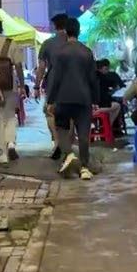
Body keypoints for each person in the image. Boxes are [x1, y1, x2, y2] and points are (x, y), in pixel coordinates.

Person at [46, 18, 98, 180]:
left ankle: (68, 154)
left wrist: (50, 100)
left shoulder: (61, 52)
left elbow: (56, 78)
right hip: (83, 98)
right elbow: (92, 78)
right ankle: (84, 167)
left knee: (61, 127)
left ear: (66, 33)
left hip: (63, 97)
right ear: (79, 31)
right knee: (83, 133)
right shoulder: (87, 52)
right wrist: (96, 99)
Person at [0, 18, 25, 163]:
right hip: (10, 85)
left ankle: (2, 152)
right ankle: (11, 143)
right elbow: (19, 66)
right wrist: (21, 85)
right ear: (2, 28)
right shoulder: (11, 43)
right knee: (10, 116)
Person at [36, 13, 70, 159]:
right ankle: (67, 144)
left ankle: (57, 142)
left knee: (50, 112)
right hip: (72, 83)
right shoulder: (73, 42)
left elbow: (42, 67)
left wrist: (36, 86)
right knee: (70, 114)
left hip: (53, 83)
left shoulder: (48, 44)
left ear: (54, 26)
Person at [94, 59, 127, 135]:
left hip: (90, 104)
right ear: (100, 69)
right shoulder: (102, 77)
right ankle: (107, 127)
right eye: (106, 69)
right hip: (99, 105)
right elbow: (116, 85)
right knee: (118, 106)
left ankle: (105, 126)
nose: (107, 71)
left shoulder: (89, 77)